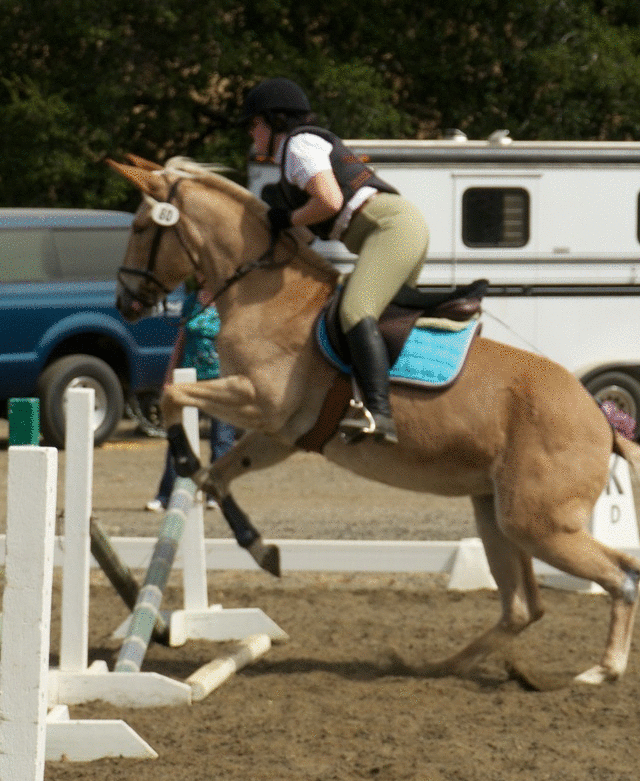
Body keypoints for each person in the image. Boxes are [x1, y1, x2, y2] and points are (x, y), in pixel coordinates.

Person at [243, 76, 429, 444]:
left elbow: (329, 201)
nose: (251, 135)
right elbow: (308, 236)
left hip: (389, 228)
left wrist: (288, 218)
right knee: (381, 322)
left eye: (254, 125)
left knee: (354, 311)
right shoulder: (293, 163)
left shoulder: (298, 146)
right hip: (397, 227)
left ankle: (379, 414)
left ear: (275, 121)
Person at [146, 284, 237, 511]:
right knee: (179, 436)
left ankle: (216, 494)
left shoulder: (231, 300)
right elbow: (181, 341)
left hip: (220, 380)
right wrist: (169, 377)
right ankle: (166, 495)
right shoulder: (191, 301)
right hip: (190, 378)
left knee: (222, 439)